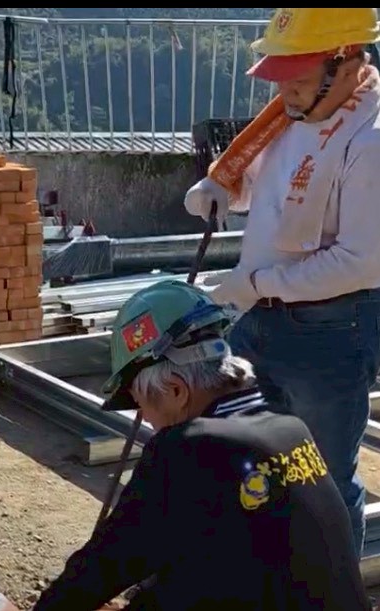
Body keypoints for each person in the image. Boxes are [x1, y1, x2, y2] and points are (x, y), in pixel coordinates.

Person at [34, 279, 369, 611]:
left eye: (140, 403)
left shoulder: (189, 447)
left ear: (176, 391)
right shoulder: (291, 429)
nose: (145, 417)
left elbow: (109, 562)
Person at [184, 7, 380, 557]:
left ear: (348, 64)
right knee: (247, 455)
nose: (284, 91)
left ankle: (333, 588)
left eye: (297, 78)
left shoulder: (370, 142)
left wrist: (256, 282)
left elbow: (361, 263)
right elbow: (268, 182)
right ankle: (263, 574)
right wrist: (222, 189)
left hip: (331, 332)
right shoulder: (293, 113)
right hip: (261, 317)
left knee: (321, 476)